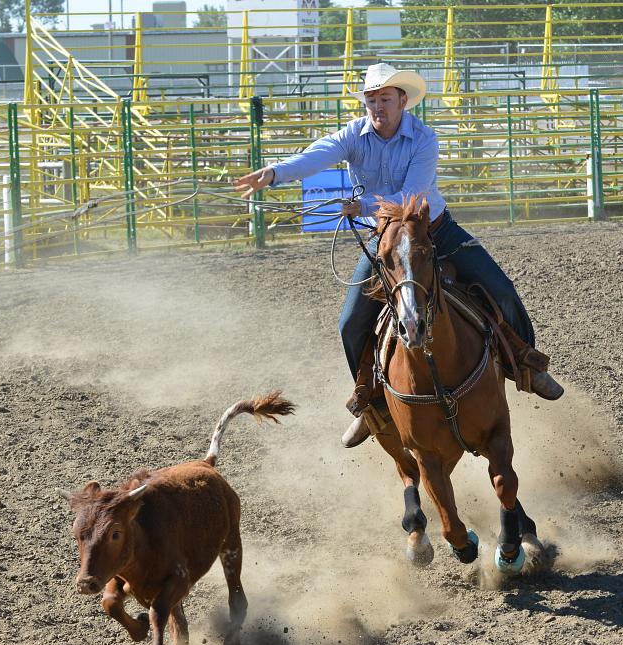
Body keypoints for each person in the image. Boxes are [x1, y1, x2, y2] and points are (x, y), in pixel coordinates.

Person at [234, 63, 563, 449]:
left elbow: (412, 195)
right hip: (387, 240)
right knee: (350, 322)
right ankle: (372, 402)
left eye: (385, 99)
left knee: (501, 289)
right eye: (371, 99)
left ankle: (525, 362)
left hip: (434, 231)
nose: (378, 106)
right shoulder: (353, 135)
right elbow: (317, 154)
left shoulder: (424, 138)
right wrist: (275, 173)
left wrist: (363, 206)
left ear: (402, 101)